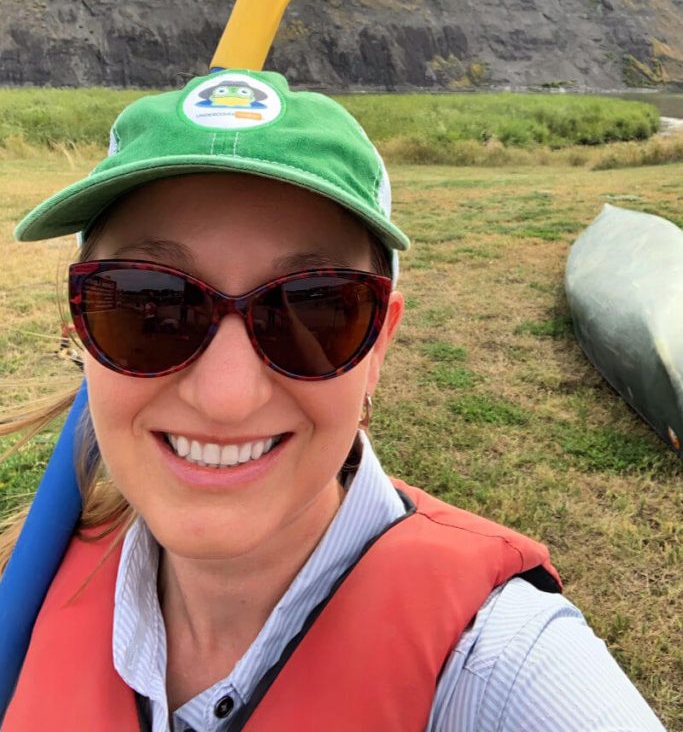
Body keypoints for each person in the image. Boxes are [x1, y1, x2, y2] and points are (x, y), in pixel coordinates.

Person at [1, 69, 667, 731]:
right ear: (79, 325)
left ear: (378, 344)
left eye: (315, 308)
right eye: (152, 304)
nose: (226, 398)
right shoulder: (33, 573)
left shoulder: (502, 670)